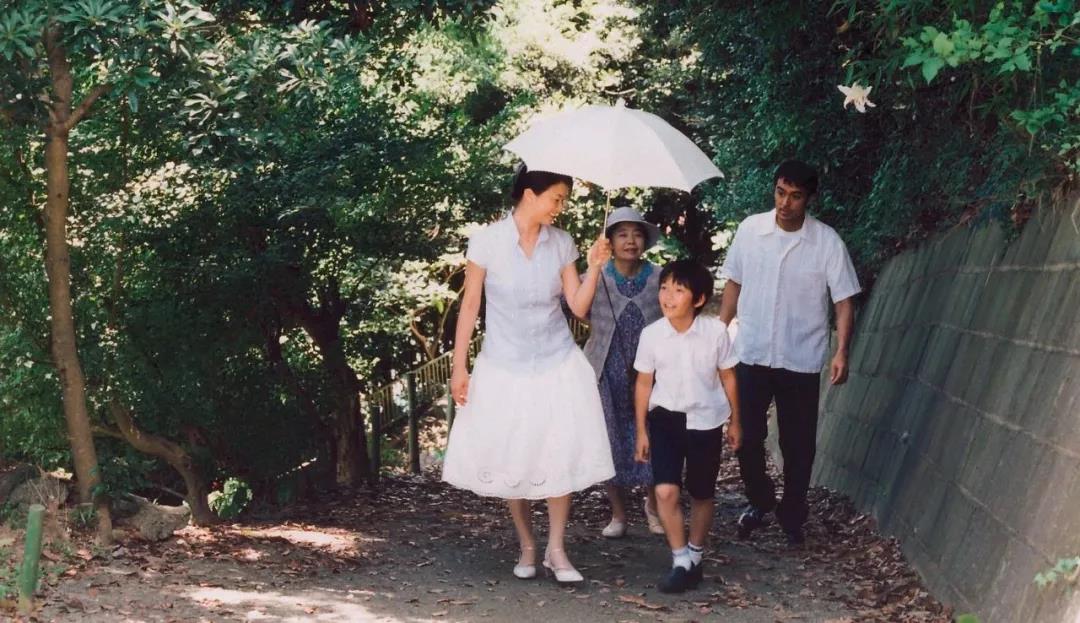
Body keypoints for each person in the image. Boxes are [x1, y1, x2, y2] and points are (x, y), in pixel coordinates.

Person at [442, 165, 615, 585]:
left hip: (556, 361)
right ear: (530, 194)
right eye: (557, 198)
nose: (561, 207)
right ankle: (527, 545)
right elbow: (470, 306)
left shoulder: (562, 243)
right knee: (513, 457)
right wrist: (459, 366)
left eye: (564, 200)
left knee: (558, 452)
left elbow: (577, 306)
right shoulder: (486, 241)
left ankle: (557, 549)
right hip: (504, 364)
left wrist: (594, 267)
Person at [718, 160, 860, 545]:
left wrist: (841, 351)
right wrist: (718, 331)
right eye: (781, 192)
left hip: (801, 356)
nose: (785, 203)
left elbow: (844, 300)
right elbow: (733, 283)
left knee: (798, 445)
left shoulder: (826, 242)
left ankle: (793, 513)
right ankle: (760, 498)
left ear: (809, 198)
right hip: (752, 352)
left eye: (795, 196)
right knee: (746, 436)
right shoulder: (751, 231)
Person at [632, 259, 741, 594]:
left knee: (701, 492)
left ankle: (695, 554)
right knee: (665, 491)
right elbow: (644, 383)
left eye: (679, 290)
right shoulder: (651, 335)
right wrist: (641, 430)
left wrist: (736, 420)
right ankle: (680, 560)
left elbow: (728, 376)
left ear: (698, 299)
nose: (668, 296)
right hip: (665, 419)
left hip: (705, 420)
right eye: (665, 288)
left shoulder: (715, 333)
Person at [581, 207, 665, 539]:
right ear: (610, 241)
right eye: (622, 234)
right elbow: (575, 307)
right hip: (606, 368)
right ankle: (618, 514)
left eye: (637, 234)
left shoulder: (659, 277)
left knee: (654, 438)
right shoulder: (596, 275)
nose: (630, 241)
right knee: (610, 440)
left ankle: (653, 506)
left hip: (651, 372)